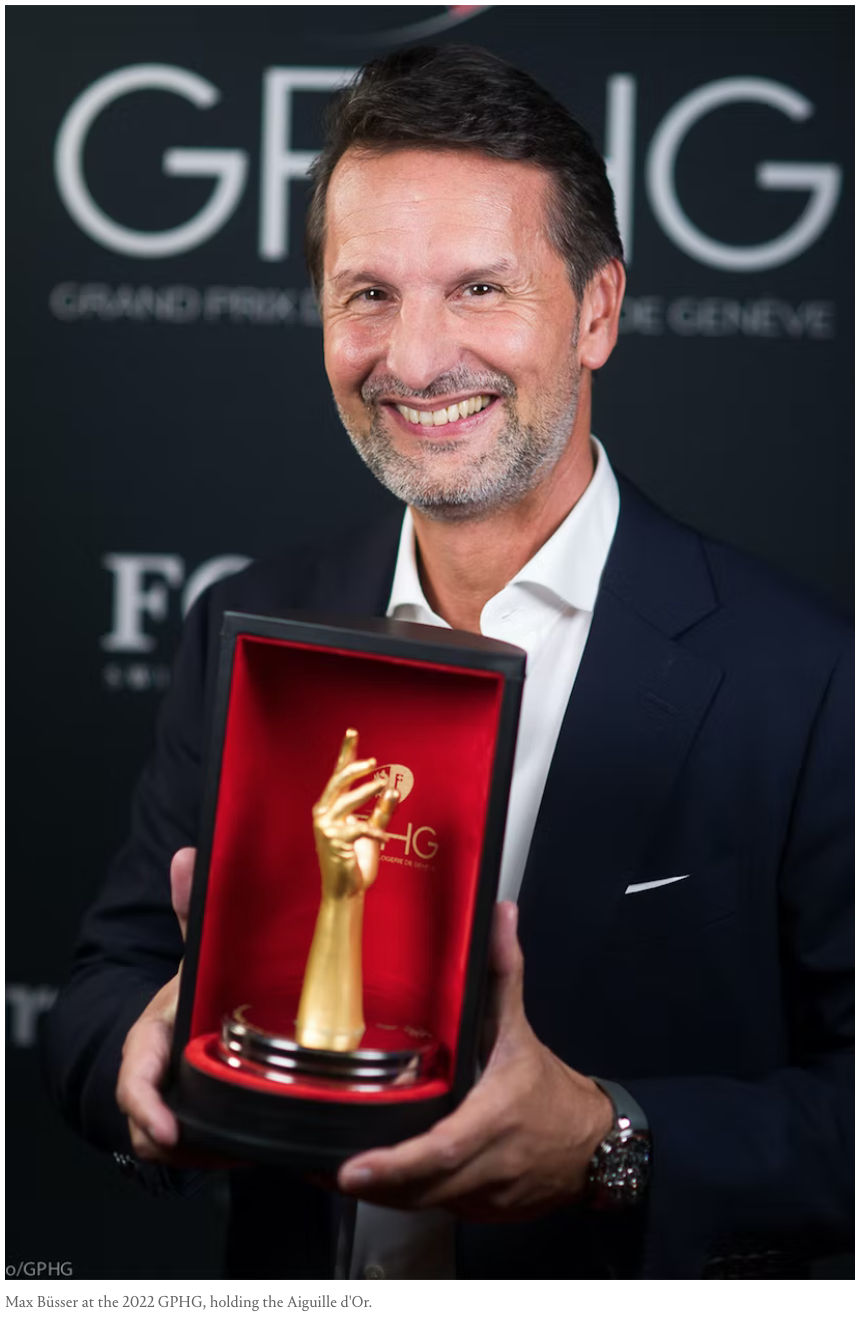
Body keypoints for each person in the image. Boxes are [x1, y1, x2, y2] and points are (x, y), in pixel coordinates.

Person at [44, 45, 853, 1281]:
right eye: (368, 293)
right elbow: (108, 986)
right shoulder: (246, 623)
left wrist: (611, 1142)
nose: (414, 361)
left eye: (479, 288)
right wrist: (146, 1058)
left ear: (596, 312)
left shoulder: (805, 675)